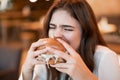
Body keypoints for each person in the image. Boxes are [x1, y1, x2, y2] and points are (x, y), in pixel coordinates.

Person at [19, 0, 120, 80]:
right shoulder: (47, 57)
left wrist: (85, 77)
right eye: (52, 27)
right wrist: (26, 71)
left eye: (67, 29)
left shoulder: (105, 58)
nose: (56, 35)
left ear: (85, 32)